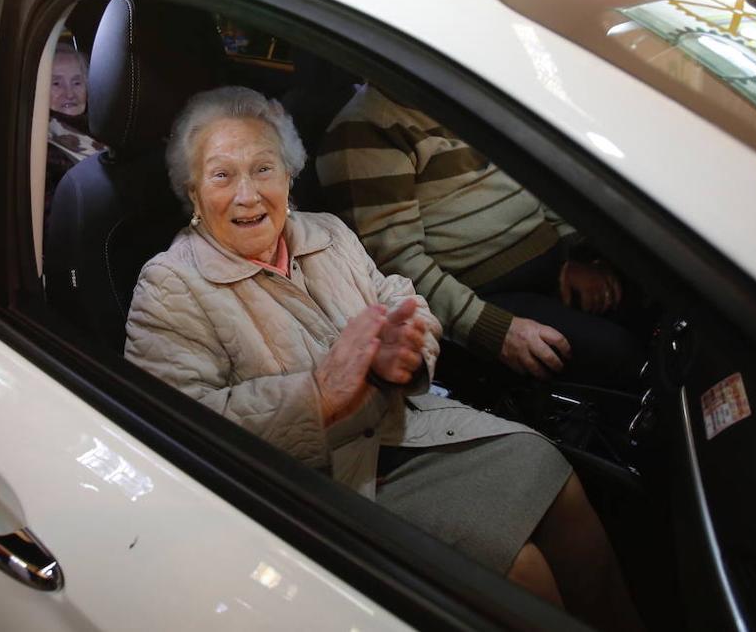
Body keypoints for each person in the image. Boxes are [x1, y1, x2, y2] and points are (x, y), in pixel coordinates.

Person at [125, 87, 641, 630]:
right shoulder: (168, 285)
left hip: (404, 429)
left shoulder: (326, 232)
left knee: (556, 477)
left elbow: (400, 296)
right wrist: (318, 394)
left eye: (263, 168)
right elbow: (175, 428)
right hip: (314, 484)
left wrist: (410, 348)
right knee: (517, 568)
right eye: (222, 175)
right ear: (192, 190)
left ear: (289, 176)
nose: (248, 195)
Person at [317, 85, 643, 388]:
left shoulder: (463, 99)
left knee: (652, 301)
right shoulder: (364, 130)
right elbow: (398, 265)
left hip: (554, 269)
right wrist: (497, 332)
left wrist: (574, 257)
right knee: (623, 354)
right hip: (486, 298)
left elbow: (530, 185)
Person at [45, 42, 106, 202]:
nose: (70, 94)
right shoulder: (43, 151)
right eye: (57, 83)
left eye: (77, 82)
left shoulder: (106, 129)